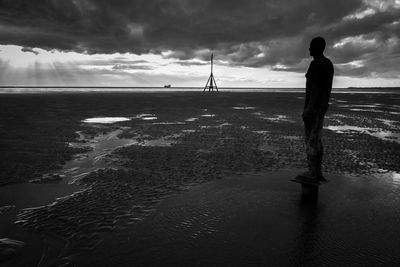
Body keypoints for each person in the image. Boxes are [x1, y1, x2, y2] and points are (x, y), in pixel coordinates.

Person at [301, 36, 334, 183]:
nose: (309, 49)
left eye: (311, 46)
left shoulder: (316, 64)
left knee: (311, 140)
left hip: (314, 108)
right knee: (317, 139)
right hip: (322, 107)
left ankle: (312, 172)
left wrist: (308, 108)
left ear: (317, 48)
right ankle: (318, 172)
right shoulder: (328, 64)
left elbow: (316, 88)